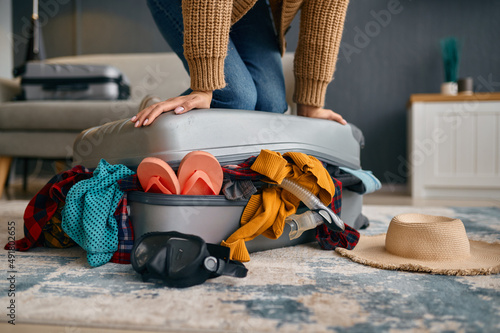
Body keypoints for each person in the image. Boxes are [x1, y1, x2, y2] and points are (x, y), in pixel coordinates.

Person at [131, 0, 350, 128]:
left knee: (271, 107)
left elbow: (326, 12)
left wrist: (311, 106)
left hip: (252, 6)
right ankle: (153, 125)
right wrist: (204, 88)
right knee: (234, 97)